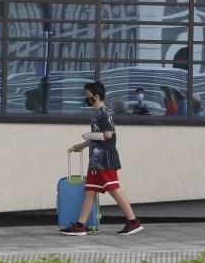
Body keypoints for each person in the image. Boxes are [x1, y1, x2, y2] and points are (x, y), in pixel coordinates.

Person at [61, 81, 144, 236]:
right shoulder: (98, 113)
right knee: (90, 190)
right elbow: (99, 137)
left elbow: (107, 135)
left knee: (114, 189)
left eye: (87, 95)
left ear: (96, 96)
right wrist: (83, 145)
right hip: (96, 161)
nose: (86, 98)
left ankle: (133, 222)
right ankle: (80, 225)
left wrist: (89, 136)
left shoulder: (104, 113)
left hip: (105, 160)